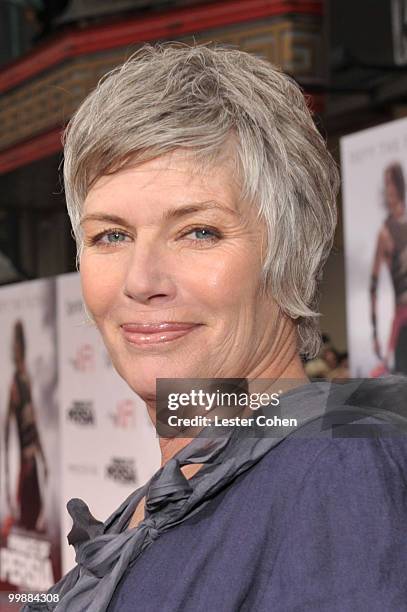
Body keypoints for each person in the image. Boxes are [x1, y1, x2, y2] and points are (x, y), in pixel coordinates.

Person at [25, 43, 407, 611]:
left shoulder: (335, 470)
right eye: (111, 235)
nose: (142, 279)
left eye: (198, 231)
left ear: (290, 252)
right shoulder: (185, 481)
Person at [4, 320, 48, 532]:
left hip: (28, 456)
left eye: (18, 346)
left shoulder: (25, 380)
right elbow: (11, 425)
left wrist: (40, 454)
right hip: (22, 458)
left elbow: (32, 421)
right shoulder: (17, 381)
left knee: (32, 503)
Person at [370, 161, 407, 373]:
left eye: (390, 183)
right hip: (402, 324)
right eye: (385, 184)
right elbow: (372, 287)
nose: (388, 189)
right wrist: (375, 335)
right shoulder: (385, 234)